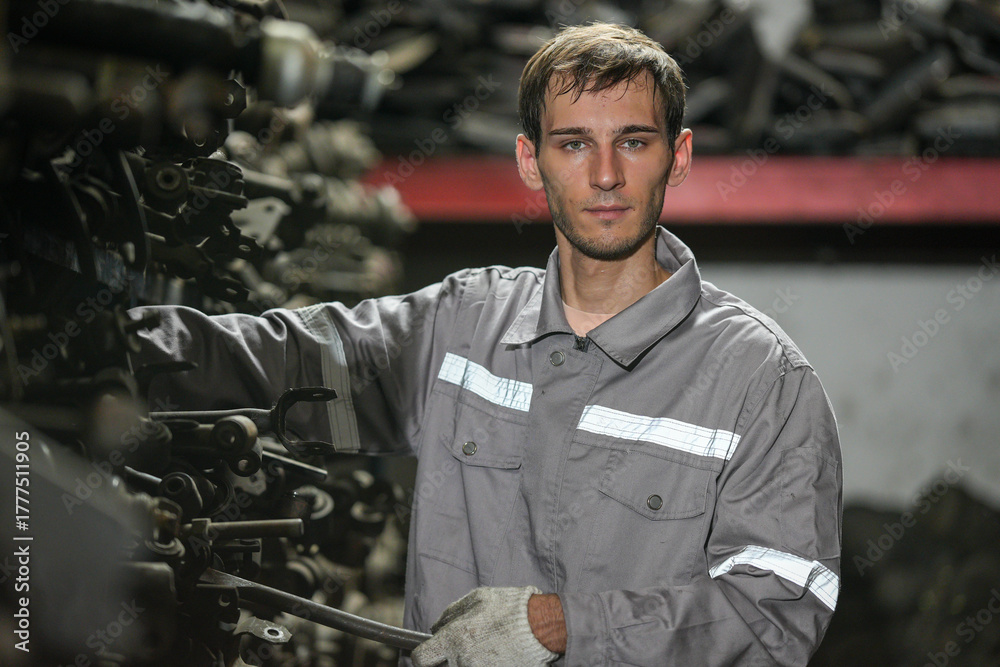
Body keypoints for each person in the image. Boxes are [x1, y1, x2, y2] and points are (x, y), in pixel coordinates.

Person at [134, 22, 842, 667]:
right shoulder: (463, 326)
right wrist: (115, 348)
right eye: (573, 144)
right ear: (531, 162)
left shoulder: (762, 382)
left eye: (633, 140)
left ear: (677, 156)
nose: (604, 175)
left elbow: (774, 615)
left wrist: (561, 626)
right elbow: (278, 363)